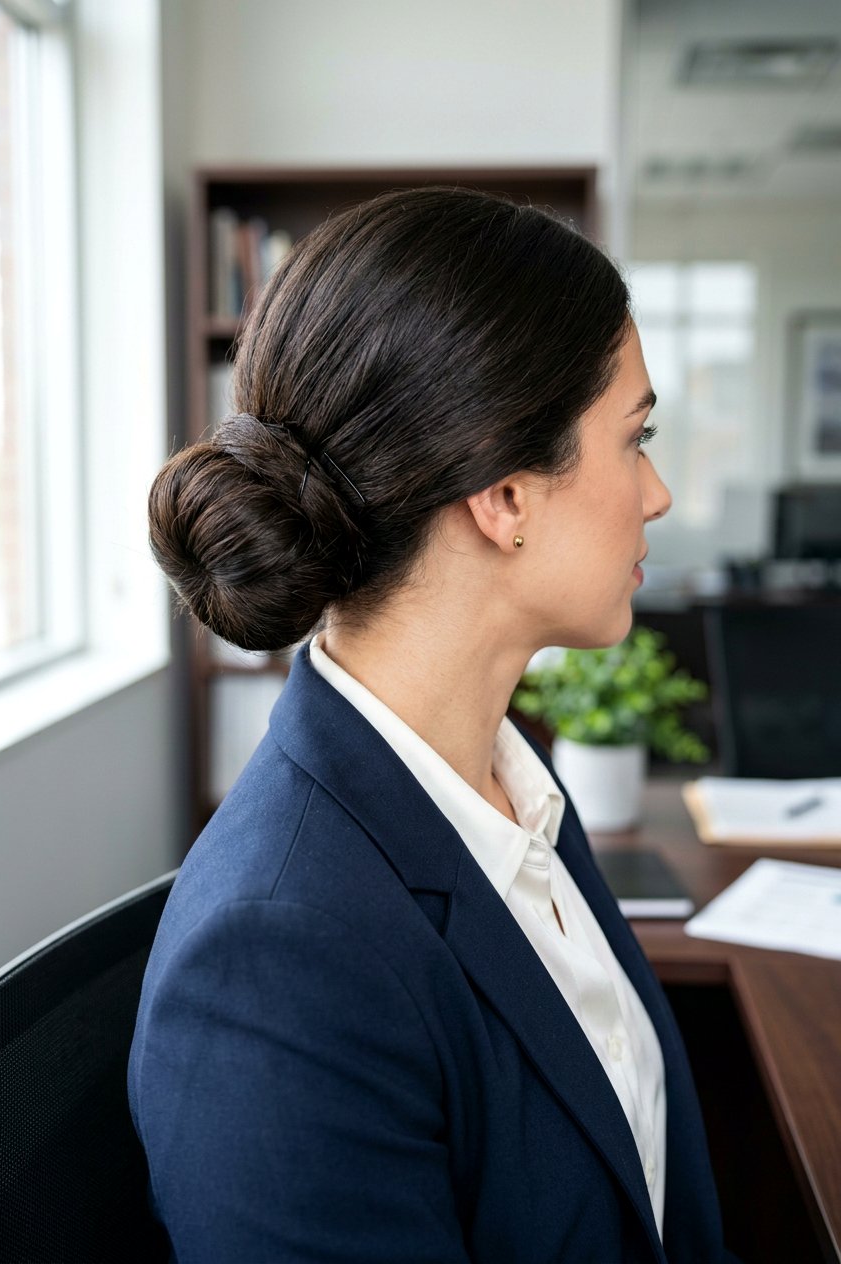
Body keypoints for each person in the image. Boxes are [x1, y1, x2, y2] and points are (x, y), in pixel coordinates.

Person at [129, 186, 740, 1263]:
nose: (656, 494)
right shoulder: (277, 964)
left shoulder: (510, 785)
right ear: (503, 496)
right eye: (634, 438)